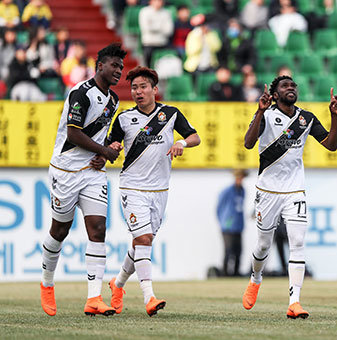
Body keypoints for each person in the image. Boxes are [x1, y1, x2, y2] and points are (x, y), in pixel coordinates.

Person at [242, 76, 337, 319]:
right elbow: (248, 143)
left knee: (297, 242)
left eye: (293, 86)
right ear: (274, 94)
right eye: (285, 86)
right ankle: (255, 279)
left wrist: (335, 117)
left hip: (295, 190)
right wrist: (259, 111)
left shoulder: (306, 118)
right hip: (267, 190)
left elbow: (330, 145)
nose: (291, 89)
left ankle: (294, 302)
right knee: (264, 244)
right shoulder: (265, 115)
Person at [40, 43, 127, 317]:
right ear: (99, 66)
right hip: (65, 171)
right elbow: (74, 134)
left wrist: (103, 154)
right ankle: (47, 283)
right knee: (60, 231)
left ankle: (94, 299)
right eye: (114, 66)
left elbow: (99, 136)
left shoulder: (113, 101)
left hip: (92, 173)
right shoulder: (80, 93)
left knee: (98, 229)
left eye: (121, 68)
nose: (119, 71)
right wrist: (103, 151)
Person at [107, 66, 200, 316]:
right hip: (132, 187)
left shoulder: (170, 114)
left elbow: (195, 137)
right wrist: (113, 146)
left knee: (140, 243)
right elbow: (109, 147)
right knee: (145, 240)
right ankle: (149, 297)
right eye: (134, 88)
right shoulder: (124, 119)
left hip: (160, 190)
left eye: (143, 87)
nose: (138, 92)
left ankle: (117, 284)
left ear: (154, 90)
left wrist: (181, 142)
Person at [217, 169, 248, 276]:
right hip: (228, 225)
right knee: (228, 250)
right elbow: (219, 207)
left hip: (238, 225)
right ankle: (225, 273)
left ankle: (236, 272)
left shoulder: (242, 191)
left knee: (238, 251)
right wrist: (223, 222)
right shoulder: (227, 191)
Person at [139, 0, 173, 67]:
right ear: (151, 1)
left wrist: (153, 26)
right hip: (148, 43)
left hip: (163, 43)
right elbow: (146, 28)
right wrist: (161, 27)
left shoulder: (166, 13)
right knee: (147, 66)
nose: (158, 2)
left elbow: (169, 31)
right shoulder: (144, 11)